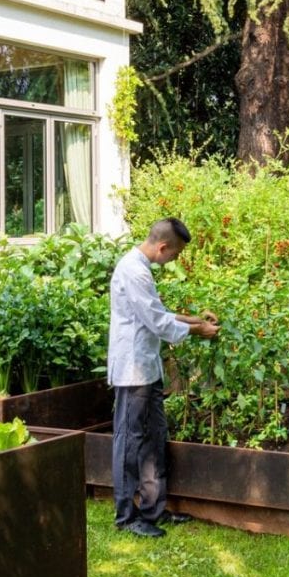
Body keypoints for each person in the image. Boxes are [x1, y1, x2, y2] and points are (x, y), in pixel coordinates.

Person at [109, 217, 220, 538]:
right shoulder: (132, 270)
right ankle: (127, 517)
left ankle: (153, 509)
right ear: (162, 247)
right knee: (130, 443)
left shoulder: (140, 268)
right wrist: (200, 331)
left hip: (147, 368)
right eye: (176, 254)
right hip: (133, 372)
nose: (176, 260)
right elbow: (158, 323)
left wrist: (196, 319)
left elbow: (158, 312)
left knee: (154, 437)